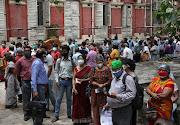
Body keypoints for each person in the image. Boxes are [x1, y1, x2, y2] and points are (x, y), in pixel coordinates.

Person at [105, 60, 136, 125]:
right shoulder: (114, 79)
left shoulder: (127, 78)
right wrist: (108, 104)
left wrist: (117, 96)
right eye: (113, 70)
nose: (114, 72)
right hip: (114, 110)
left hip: (123, 110)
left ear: (122, 69)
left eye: (116, 70)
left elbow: (132, 94)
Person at [52, 45, 75, 122]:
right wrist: (57, 80)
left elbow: (75, 70)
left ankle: (69, 114)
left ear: (68, 51)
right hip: (61, 81)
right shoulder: (59, 61)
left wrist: (74, 80)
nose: (63, 52)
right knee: (58, 99)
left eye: (65, 51)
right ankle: (56, 115)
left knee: (69, 99)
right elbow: (56, 71)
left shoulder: (71, 60)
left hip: (69, 81)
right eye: (63, 50)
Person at [15, 46, 36, 121]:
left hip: (34, 81)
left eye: (28, 50)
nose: (27, 52)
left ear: (31, 51)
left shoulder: (35, 59)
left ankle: (34, 113)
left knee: (34, 98)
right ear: (24, 51)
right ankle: (26, 114)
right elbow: (17, 71)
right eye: (26, 50)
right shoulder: (20, 61)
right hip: (25, 81)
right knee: (26, 98)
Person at [90, 55, 112, 125]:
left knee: (106, 108)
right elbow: (91, 80)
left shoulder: (107, 69)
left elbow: (110, 79)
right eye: (98, 61)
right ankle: (97, 123)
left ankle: (106, 123)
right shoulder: (93, 70)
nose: (99, 62)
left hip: (105, 92)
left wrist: (104, 85)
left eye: (100, 60)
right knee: (95, 110)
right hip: (95, 92)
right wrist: (97, 84)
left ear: (103, 61)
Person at [72, 54, 93, 124]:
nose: (80, 60)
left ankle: (87, 119)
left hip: (84, 89)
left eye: (81, 59)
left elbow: (90, 78)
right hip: (77, 89)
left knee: (85, 104)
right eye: (79, 59)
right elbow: (74, 78)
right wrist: (74, 88)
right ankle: (77, 120)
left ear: (84, 60)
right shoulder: (76, 68)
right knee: (76, 104)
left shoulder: (88, 68)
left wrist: (82, 80)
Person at [31, 50, 48, 125]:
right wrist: (35, 90)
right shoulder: (37, 63)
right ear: (42, 56)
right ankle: (37, 123)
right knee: (39, 106)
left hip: (41, 86)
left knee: (40, 105)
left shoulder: (40, 63)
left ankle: (39, 122)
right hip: (38, 86)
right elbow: (34, 77)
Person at [122, 59, 138, 125]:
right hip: (129, 100)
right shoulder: (128, 75)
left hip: (131, 101)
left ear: (127, 66)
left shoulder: (132, 76)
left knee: (131, 118)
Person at [41, 45, 56, 111]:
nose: (43, 51)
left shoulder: (49, 57)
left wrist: (46, 78)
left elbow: (50, 68)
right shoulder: (41, 57)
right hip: (43, 77)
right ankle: (46, 106)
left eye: (44, 49)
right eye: (42, 49)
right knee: (45, 92)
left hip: (49, 77)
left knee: (50, 92)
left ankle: (55, 105)